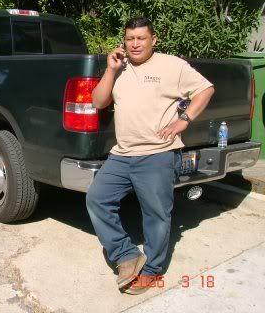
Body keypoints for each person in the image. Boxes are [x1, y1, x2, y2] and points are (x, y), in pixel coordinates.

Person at [86, 17, 215, 295]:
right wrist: (110, 70)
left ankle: (153, 271)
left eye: (141, 38)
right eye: (130, 38)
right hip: (122, 154)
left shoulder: (172, 65)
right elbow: (98, 101)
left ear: (153, 40)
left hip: (157, 154)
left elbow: (205, 89)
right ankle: (126, 255)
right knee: (97, 199)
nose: (135, 44)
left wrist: (184, 120)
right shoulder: (119, 69)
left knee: (156, 215)